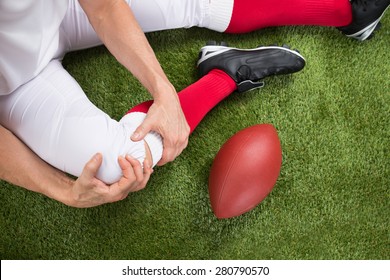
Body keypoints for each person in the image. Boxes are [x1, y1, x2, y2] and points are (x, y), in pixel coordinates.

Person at [0, 0, 388, 207]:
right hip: (18, 84)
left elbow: (102, 6)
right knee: (117, 164)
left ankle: (345, 11)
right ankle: (226, 74)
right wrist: (62, 190)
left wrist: (163, 90)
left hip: (60, 6)